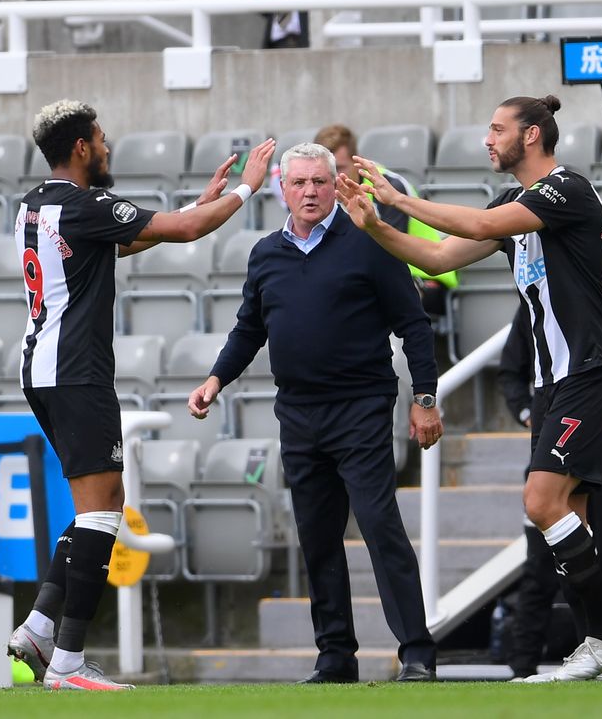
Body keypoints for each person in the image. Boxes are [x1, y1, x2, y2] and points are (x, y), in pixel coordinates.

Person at [337, 94, 602, 682]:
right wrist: (375, 227)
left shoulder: (564, 190)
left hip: (591, 369)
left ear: (531, 136)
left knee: (540, 502)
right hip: (553, 379)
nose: (487, 138)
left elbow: (475, 224)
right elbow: (437, 254)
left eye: (497, 129)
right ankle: (598, 647)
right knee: (567, 513)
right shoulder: (513, 203)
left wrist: (398, 198)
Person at [4, 99, 274, 691]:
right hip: (77, 373)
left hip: (41, 369)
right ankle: (69, 664)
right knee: (102, 513)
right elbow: (183, 233)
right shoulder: (85, 203)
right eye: (100, 139)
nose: (107, 147)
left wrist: (199, 205)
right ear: (81, 148)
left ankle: (38, 628)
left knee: (99, 502)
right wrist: (247, 189)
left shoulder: (36, 206)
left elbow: (126, 241)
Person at [187, 142, 442, 684]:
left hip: (362, 408)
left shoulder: (371, 243)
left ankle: (416, 652)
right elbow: (249, 329)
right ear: (282, 188)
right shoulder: (265, 254)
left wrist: (424, 398)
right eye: (298, 183)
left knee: (379, 525)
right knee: (318, 537)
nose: (308, 192)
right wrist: (215, 378)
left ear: (334, 185)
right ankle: (334, 660)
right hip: (298, 414)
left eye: (319, 183)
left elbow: (414, 325)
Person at [499, 272, 602, 680]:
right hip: (551, 439)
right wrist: (528, 412)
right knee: (542, 561)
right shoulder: (537, 297)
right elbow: (510, 370)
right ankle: (522, 666)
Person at [312, 123, 458, 317]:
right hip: (371, 277)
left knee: (366, 296)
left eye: (340, 168)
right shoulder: (319, 193)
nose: (336, 177)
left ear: (357, 161)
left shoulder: (388, 186)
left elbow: (391, 254)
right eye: (328, 171)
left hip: (424, 276)